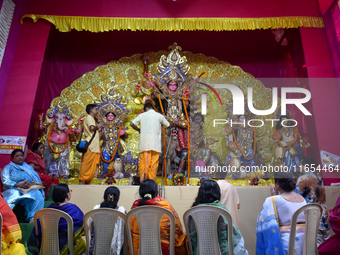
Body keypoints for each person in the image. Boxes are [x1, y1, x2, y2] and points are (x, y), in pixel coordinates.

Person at [189, 180, 248, 255]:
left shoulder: (192, 212)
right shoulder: (222, 211)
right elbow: (234, 235)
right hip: (222, 252)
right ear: (217, 194)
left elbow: (189, 236)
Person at [130, 179, 187, 254]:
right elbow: (178, 230)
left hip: (139, 249)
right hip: (163, 250)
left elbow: (130, 233)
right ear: (157, 192)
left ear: (140, 193)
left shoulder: (134, 208)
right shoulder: (166, 206)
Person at [257, 172, 307, 255]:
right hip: (305, 243)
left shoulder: (273, 200)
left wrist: (272, 196)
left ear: (277, 185)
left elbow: (263, 219)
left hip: (287, 244)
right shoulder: (302, 198)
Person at [28, 183, 86, 255]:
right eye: (70, 191)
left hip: (47, 250)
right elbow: (86, 229)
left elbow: (37, 232)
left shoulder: (46, 211)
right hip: (69, 251)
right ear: (67, 195)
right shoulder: (74, 210)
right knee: (82, 244)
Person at [1, 149, 44, 223]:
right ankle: (5, 220)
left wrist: (30, 184)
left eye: (21, 155)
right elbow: (5, 181)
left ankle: (33, 218)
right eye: (17, 156)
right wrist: (20, 185)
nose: (20, 157)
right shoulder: (8, 168)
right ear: (12, 158)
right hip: (13, 188)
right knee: (14, 195)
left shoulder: (28, 167)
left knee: (37, 193)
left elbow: (35, 179)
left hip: (27, 189)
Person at [295, 156, 330, 246]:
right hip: (324, 219)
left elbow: (295, 198)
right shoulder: (319, 179)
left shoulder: (303, 179)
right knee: (325, 247)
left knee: (315, 249)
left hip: (313, 220)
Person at [130, 103, 170, 181]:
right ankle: (151, 183)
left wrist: (139, 130)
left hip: (144, 145)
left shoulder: (142, 115)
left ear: (146, 109)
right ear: (152, 108)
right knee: (153, 165)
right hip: (155, 145)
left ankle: (143, 182)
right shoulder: (159, 116)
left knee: (143, 163)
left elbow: (132, 123)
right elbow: (168, 125)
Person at [88, 186, 126, 255]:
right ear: (118, 199)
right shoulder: (121, 213)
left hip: (95, 251)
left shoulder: (95, 212)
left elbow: (92, 232)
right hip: (114, 252)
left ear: (104, 197)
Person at [79, 104, 103, 184]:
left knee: (92, 166)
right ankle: (81, 182)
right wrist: (98, 126)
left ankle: (87, 182)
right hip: (90, 145)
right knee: (86, 164)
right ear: (91, 110)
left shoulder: (92, 118)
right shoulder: (89, 118)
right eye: (96, 109)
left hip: (94, 146)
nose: (97, 110)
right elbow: (92, 128)